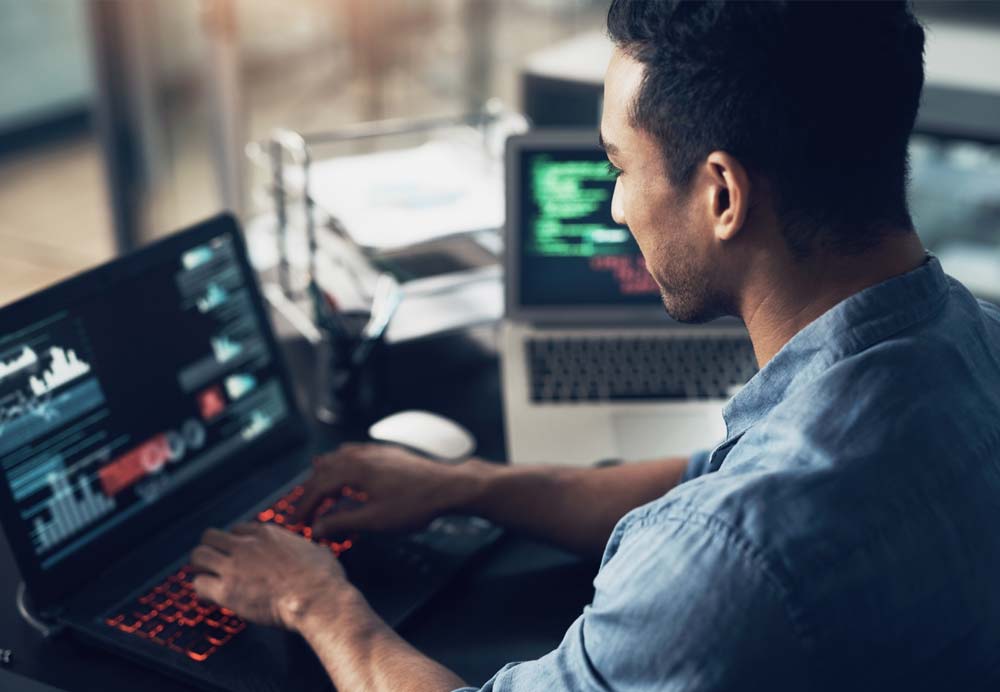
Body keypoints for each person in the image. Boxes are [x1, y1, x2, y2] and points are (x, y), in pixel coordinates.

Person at [191, 1, 1000, 689]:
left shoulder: (721, 560)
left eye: (620, 164)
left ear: (722, 195)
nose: (616, 207)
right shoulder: (973, 340)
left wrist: (317, 603)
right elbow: (704, 476)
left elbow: (728, 532)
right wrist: (465, 486)